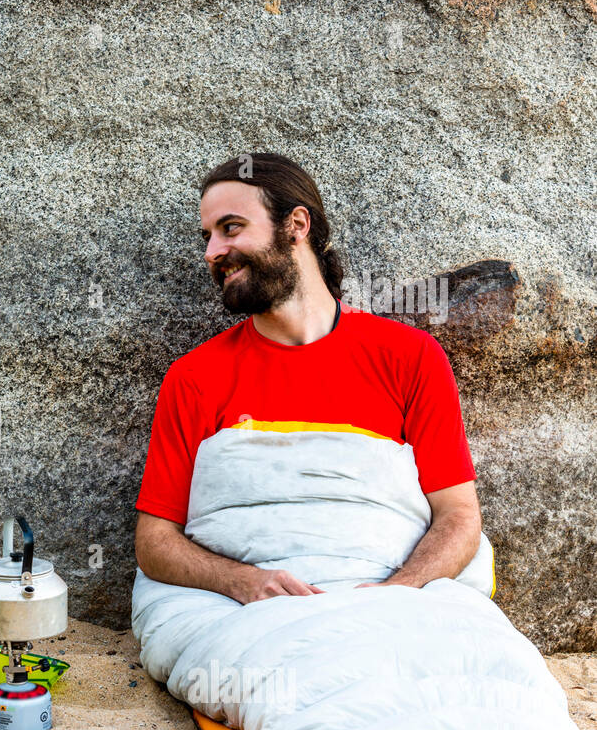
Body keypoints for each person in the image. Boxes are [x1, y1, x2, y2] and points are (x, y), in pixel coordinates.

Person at [134, 153, 483, 604]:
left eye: (231, 227)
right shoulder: (195, 376)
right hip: (249, 608)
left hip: (384, 598)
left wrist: (392, 598)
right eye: (208, 236)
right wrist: (240, 581)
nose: (211, 252)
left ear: (296, 224)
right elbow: (155, 540)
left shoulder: (409, 357)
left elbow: (458, 515)